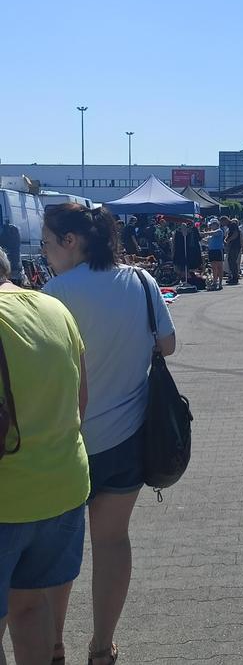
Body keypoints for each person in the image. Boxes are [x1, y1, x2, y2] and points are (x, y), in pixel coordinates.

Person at [41, 204, 176, 665]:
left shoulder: (55, 293)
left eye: (45, 243)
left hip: (66, 441)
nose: (43, 254)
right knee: (113, 540)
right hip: (127, 437)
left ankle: (53, 645)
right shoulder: (140, 282)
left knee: (59, 551)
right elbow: (168, 342)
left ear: (70, 241)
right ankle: (101, 647)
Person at [0, 248, 90, 665]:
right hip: (63, 488)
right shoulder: (55, 309)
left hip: (8, 499)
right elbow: (81, 402)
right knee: (31, 606)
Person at [204, 219, 224, 290]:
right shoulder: (210, 235)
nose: (210, 226)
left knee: (220, 267)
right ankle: (215, 282)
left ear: (216, 224)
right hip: (211, 251)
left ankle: (220, 283)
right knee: (214, 268)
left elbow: (213, 233)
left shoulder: (219, 231)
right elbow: (207, 243)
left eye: (212, 224)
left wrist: (204, 233)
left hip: (218, 251)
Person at [225, 219, 242, 284]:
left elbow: (235, 234)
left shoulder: (233, 224)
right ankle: (233, 277)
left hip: (235, 246)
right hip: (233, 246)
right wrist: (226, 239)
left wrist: (228, 240)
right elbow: (229, 234)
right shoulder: (230, 226)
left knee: (232, 261)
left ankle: (235, 278)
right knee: (231, 261)